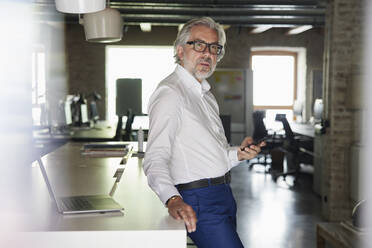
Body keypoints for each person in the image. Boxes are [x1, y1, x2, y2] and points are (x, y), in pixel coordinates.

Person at [143, 17, 264, 248]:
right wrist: (172, 199)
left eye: (214, 47)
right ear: (180, 50)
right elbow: (155, 157)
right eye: (198, 45)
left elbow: (210, 154)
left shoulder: (205, 95)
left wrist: (238, 154)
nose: (207, 53)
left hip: (224, 194)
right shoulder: (170, 93)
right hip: (199, 201)